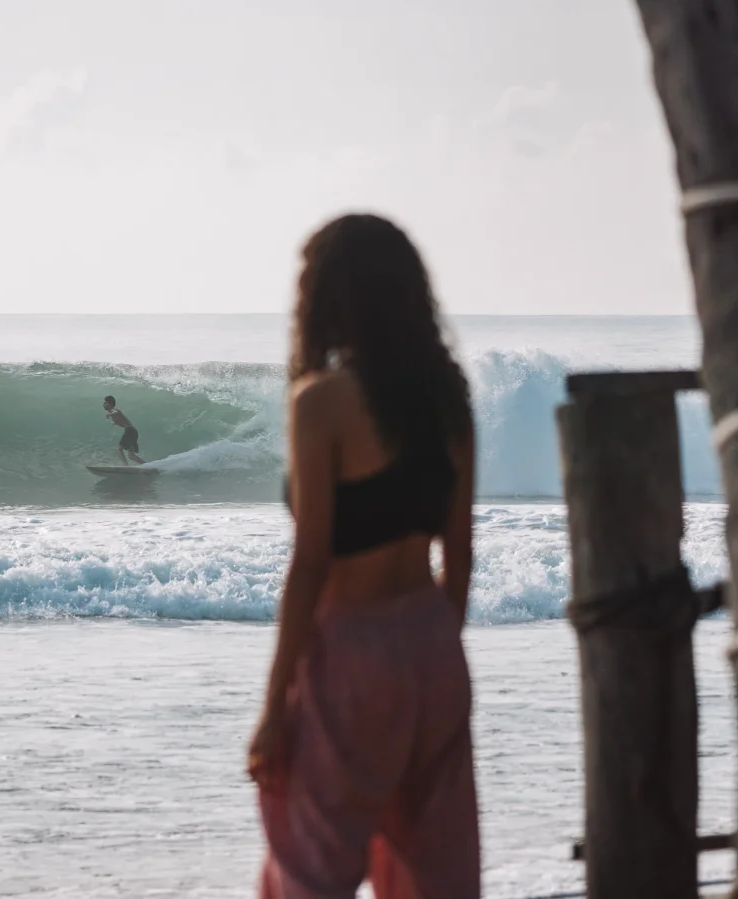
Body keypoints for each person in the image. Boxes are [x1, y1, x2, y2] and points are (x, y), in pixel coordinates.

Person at [248, 213, 479, 899]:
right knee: (436, 877)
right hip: (435, 648)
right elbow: (460, 555)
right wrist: (429, 646)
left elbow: (311, 563)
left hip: (353, 652)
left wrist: (272, 707)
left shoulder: (320, 401)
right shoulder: (449, 399)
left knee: (311, 871)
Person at [102, 395, 146, 465]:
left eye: (105, 403)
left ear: (109, 404)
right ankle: (147, 465)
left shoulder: (114, 410)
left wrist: (110, 414)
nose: (103, 405)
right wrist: (115, 422)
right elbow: (121, 419)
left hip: (130, 431)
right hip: (132, 431)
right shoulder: (112, 413)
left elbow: (116, 412)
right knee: (131, 455)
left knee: (119, 450)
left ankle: (126, 466)